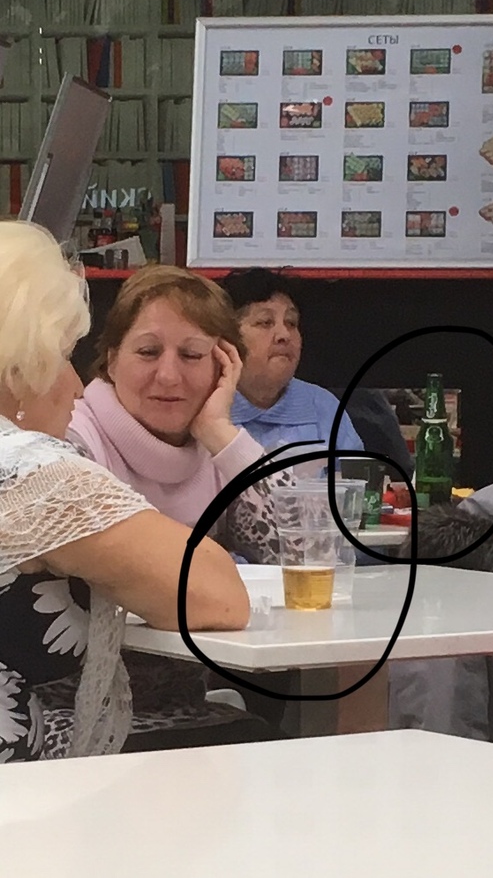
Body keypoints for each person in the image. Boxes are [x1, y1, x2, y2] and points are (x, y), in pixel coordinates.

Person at [0, 221, 249, 763]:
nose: (75, 385)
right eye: (64, 355)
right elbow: (218, 595)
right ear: (20, 368)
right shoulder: (29, 470)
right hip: (27, 786)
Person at [61, 265, 292, 749]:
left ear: (224, 367)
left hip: (185, 709)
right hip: (66, 717)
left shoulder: (216, 454)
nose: (168, 375)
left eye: (191, 355)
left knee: (282, 760)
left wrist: (221, 433)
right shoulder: (71, 443)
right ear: (110, 359)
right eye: (148, 352)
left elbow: (303, 554)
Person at [220, 268, 363, 461]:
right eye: (265, 322)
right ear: (227, 337)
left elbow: (356, 478)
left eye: (291, 323)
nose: (284, 335)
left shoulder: (322, 406)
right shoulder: (202, 405)